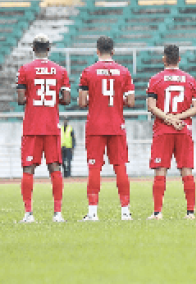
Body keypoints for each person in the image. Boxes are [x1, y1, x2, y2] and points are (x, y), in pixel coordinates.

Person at [78, 36, 135, 221]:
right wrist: (120, 100)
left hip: (95, 125)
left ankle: (93, 212)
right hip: (116, 125)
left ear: (97, 51)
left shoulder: (88, 72)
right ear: (113, 51)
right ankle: (125, 212)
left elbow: (81, 102)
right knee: (120, 167)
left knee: (94, 167)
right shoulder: (124, 72)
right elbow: (131, 101)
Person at [16, 34, 71, 223]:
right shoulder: (60, 71)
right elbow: (66, 99)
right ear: (49, 49)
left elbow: (21, 99)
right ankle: (57, 214)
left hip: (32, 125)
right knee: (54, 167)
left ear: (33, 49)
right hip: (52, 125)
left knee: (28, 168)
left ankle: (28, 214)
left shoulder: (25, 69)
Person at [146, 45, 196, 220]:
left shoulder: (155, 79)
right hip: (184, 129)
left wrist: (169, 119)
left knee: (160, 170)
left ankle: (157, 213)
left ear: (164, 59)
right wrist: (179, 118)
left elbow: (151, 106)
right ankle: (190, 212)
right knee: (186, 170)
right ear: (179, 59)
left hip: (163, 130)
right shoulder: (190, 79)